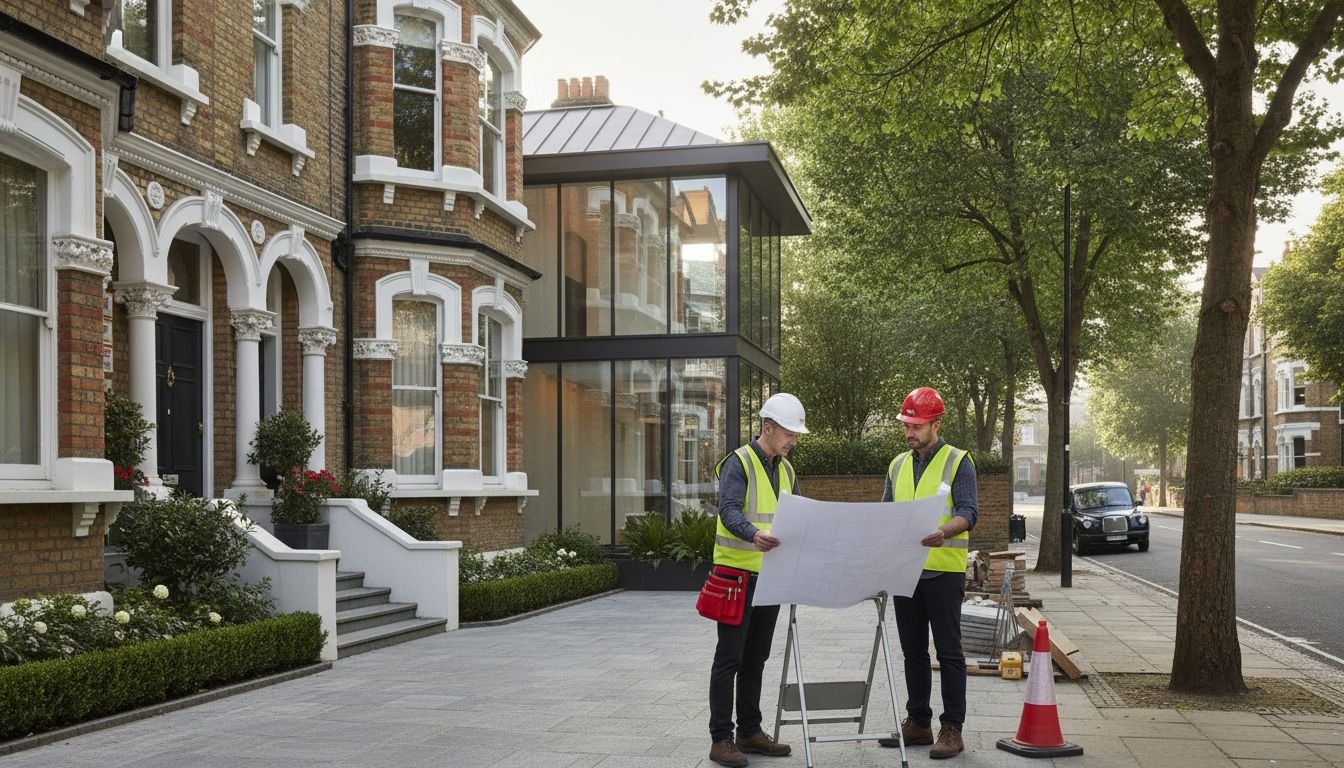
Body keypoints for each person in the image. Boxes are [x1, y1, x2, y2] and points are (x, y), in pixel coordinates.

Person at [707, 392, 808, 767]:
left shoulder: (786, 469)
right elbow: (729, 510)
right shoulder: (740, 462)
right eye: (790, 434)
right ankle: (721, 738)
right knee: (729, 657)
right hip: (735, 576)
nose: (794, 441)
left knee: (757, 658)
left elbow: (797, 513)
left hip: (771, 578)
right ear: (768, 428)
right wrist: (753, 535)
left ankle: (749, 731)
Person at [877, 387, 978, 759]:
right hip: (906, 573)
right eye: (906, 425)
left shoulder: (958, 461)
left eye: (916, 425)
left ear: (936, 424)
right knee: (912, 651)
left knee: (949, 652)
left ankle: (952, 727)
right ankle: (918, 722)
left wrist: (944, 532)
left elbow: (969, 511)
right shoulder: (897, 465)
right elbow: (887, 515)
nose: (909, 432)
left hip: (942, 573)